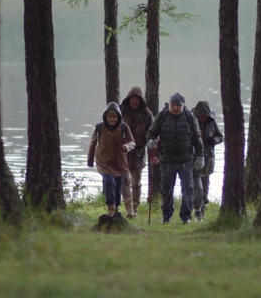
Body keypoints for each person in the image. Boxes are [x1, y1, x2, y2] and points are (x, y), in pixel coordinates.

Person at [147, 93, 204, 224]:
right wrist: (151, 141)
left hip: (186, 160)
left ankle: (186, 216)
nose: (175, 108)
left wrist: (200, 156)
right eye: (173, 105)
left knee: (188, 190)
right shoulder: (162, 116)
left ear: (183, 106)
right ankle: (166, 215)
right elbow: (151, 132)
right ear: (169, 105)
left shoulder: (190, 117)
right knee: (167, 189)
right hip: (167, 160)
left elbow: (197, 138)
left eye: (178, 105)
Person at [87, 102, 136, 216]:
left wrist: (126, 147)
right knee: (110, 182)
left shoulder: (124, 127)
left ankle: (116, 208)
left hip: (120, 163)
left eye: (114, 117)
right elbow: (92, 144)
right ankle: (110, 208)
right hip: (104, 162)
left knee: (118, 186)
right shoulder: (99, 127)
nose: (112, 119)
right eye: (109, 117)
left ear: (118, 117)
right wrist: (90, 161)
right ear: (105, 117)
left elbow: (132, 142)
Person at [120, 87, 154, 218]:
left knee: (136, 182)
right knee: (124, 180)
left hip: (139, 152)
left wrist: (153, 147)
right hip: (122, 151)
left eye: (137, 99)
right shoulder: (121, 111)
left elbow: (152, 132)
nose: (134, 101)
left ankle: (135, 207)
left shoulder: (147, 114)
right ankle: (128, 208)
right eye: (132, 98)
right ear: (128, 99)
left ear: (141, 101)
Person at [191, 101, 224, 221]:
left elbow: (220, 137)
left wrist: (213, 140)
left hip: (208, 160)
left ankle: (203, 206)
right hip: (194, 159)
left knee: (205, 186)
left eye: (205, 116)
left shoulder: (212, 122)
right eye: (200, 116)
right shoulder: (191, 121)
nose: (202, 118)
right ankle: (197, 209)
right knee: (197, 186)